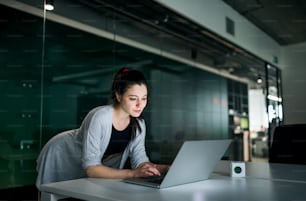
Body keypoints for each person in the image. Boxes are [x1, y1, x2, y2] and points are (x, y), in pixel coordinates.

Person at [36, 67, 169, 190]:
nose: (140, 104)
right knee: (50, 193)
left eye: (144, 98)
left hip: (88, 167)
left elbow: (140, 161)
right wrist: (132, 174)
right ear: (118, 95)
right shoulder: (99, 117)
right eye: (133, 98)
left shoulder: (139, 124)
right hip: (62, 154)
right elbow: (92, 168)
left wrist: (166, 169)